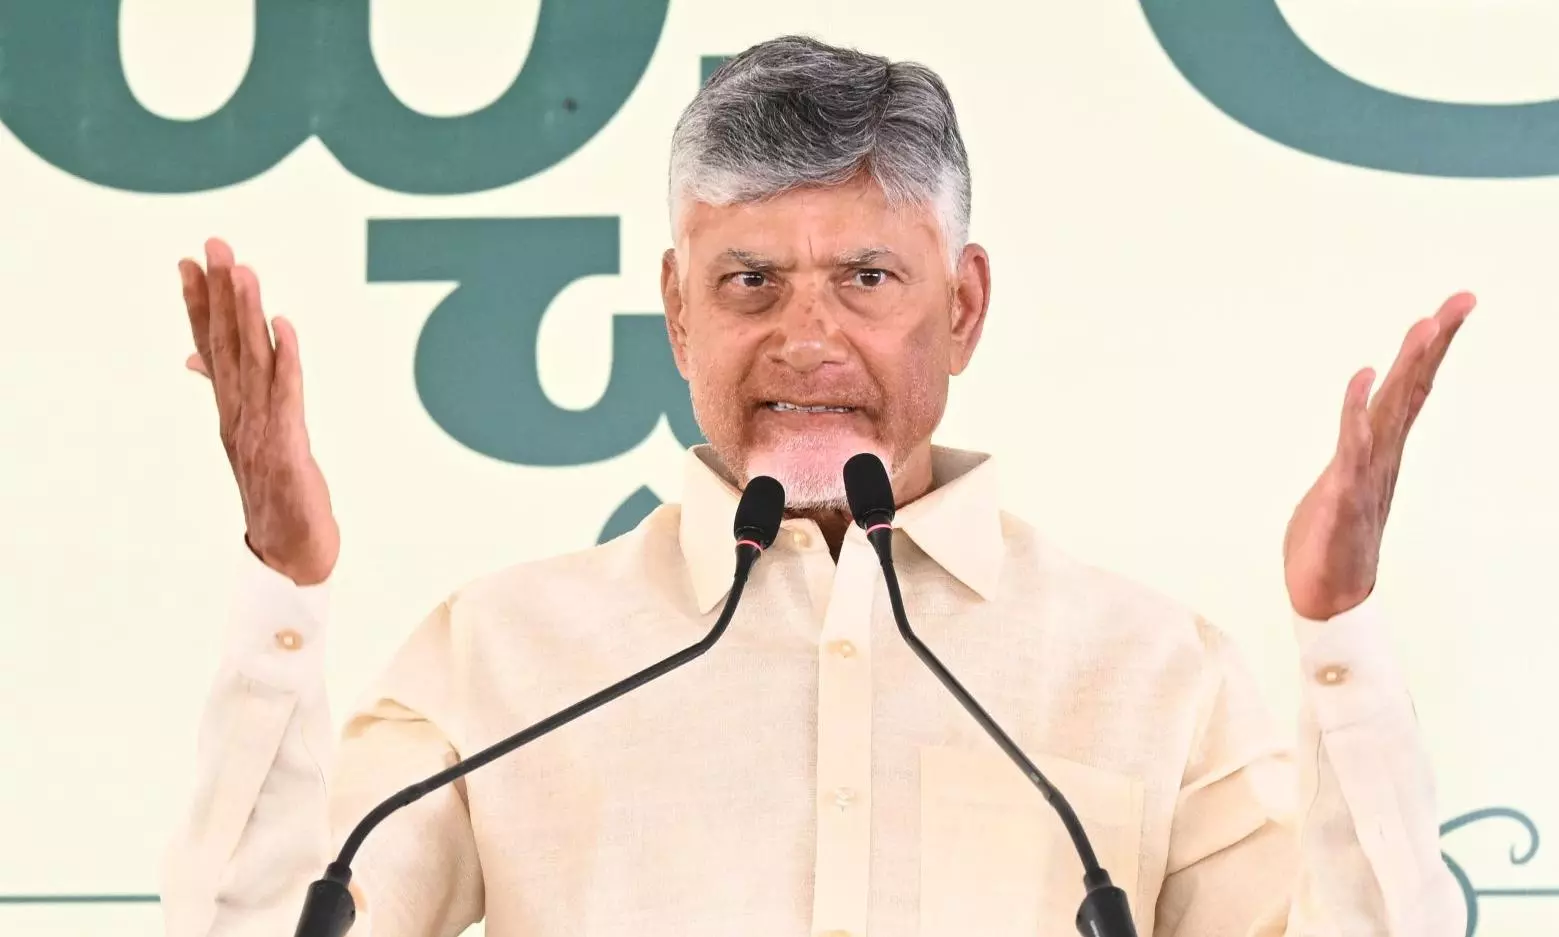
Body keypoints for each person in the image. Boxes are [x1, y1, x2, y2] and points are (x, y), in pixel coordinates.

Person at [161, 35, 1471, 937]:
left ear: (962, 308)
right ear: (678, 312)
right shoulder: (499, 655)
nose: (806, 338)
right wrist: (284, 589)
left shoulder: (1151, 671)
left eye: (867, 279)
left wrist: (1338, 629)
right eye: (749, 282)